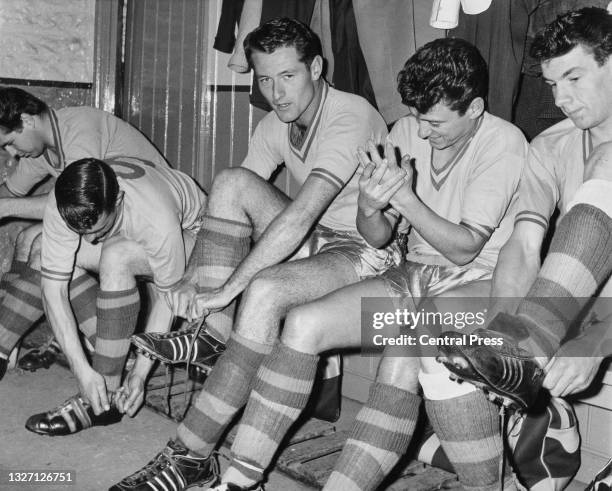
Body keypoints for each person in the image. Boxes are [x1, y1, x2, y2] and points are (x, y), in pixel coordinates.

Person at [143, 37, 525, 491]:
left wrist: (401, 195)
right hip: (413, 275)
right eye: (417, 118)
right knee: (304, 325)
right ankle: (239, 478)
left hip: (477, 284)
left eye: (435, 122)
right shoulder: (405, 131)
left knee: (404, 356)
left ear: (476, 107)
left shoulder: (504, 141)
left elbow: (464, 247)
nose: (421, 132)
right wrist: (369, 206)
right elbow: (379, 236)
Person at [110, 17, 398, 491]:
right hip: (318, 236)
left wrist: (227, 289)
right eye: (265, 79)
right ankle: (213, 336)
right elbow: (227, 210)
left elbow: (300, 215)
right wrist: (196, 277)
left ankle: (195, 456)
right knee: (229, 182)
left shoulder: (351, 115)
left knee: (262, 291)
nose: (276, 91)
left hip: (365, 249)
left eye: (288, 76)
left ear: (317, 68)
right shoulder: (274, 123)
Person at [439, 7, 612, 411]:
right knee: (434, 320)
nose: (560, 99)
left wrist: (596, 342)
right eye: (551, 83)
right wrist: (501, 338)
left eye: (574, 78)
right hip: (565, 304)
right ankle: (492, 465)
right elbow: (522, 247)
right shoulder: (549, 146)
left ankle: (532, 351)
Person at [24, 156, 206, 437]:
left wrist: (140, 376)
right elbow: (53, 291)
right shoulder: (63, 201)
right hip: (138, 229)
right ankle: (115, 357)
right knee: (42, 251)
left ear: (118, 200)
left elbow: (168, 299)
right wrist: (81, 369)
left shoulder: (154, 217)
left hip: (198, 240)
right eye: (81, 232)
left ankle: (105, 397)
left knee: (115, 254)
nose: (90, 240)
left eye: (99, 230)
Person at [0, 87, 171, 380]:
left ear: (27, 121)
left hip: (153, 228)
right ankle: (8, 339)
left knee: (41, 243)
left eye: (10, 143)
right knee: (26, 238)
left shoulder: (80, 127)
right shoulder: (40, 147)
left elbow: (74, 202)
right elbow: (8, 194)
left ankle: (114, 353)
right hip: (110, 225)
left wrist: (5, 207)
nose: (11, 154)